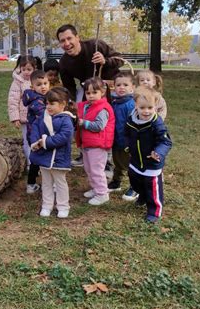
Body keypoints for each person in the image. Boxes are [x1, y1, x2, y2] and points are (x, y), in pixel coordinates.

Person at [56, 24, 122, 167]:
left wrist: (105, 61)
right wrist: (72, 103)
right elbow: (69, 87)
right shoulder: (64, 62)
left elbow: (120, 60)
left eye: (69, 38)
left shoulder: (95, 45)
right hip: (88, 90)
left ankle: (108, 160)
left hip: (110, 88)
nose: (66, 44)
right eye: (62, 41)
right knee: (80, 117)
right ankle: (85, 152)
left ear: (77, 37)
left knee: (107, 122)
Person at [125, 87, 172, 223]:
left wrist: (158, 153)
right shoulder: (131, 119)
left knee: (152, 187)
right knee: (135, 181)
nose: (146, 111)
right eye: (142, 107)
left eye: (150, 108)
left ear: (155, 107)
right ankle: (143, 196)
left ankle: (154, 211)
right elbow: (126, 133)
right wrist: (128, 145)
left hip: (151, 161)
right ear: (136, 106)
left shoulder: (157, 124)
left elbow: (166, 142)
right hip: (135, 160)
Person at [29, 87, 75, 218]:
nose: (48, 107)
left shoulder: (66, 120)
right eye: (47, 103)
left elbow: (64, 136)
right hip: (43, 156)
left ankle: (63, 206)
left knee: (60, 183)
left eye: (52, 104)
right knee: (46, 183)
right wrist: (35, 143)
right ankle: (47, 205)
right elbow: (35, 130)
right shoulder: (42, 118)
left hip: (59, 158)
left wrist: (46, 142)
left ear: (62, 105)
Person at [76, 77, 115, 206]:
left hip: (98, 145)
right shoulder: (87, 106)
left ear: (102, 92)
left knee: (97, 170)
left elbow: (99, 126)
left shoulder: (103, 108)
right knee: (89, 168)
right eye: (88, 93)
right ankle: (96, 189)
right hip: (87, 143)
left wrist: (84, 123)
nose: (91, 96)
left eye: (94, 92)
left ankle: (102, 194)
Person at [107, 72, 136, 201]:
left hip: (127, 141)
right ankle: (116, 182)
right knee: (117, 162)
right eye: (118, 85)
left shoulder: (131, 104)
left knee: (130, 164)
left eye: (125, 84)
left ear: (132, 87)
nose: (121, 87)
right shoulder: (114, 102)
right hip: (115, 139)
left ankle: (135, 186)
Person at [22, 70, 50, 193]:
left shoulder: (42, 97)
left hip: (37, 134)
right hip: (36, 136)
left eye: (45, 83)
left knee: (37, 160)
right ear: (32, 87)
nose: (43, 86)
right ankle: (34, 184)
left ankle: (33, 184)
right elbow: (44, 114)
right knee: (40, 160)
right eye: (39, 84)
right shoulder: (36, 101)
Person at [7, 55, 38, 166]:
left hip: (38, 117)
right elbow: (13, 100)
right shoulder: (17, 82)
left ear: (34, 68)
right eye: (23, 69)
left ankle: (40, 161)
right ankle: (31, 163)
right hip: (25, 117)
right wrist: (15, 117)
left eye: (29, 69)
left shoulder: (38, 80)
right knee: (27, 140)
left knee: (39, 138)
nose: (26, 72)